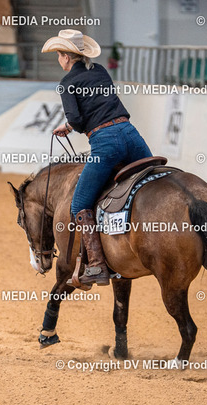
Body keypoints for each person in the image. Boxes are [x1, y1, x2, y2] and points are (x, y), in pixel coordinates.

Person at [41, 29, 153, 287]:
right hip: (131, 135)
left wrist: (70, 125)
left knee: (79, 204)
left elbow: (79, 120)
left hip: (106, 143)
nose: (59, 59)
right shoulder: (100, 71)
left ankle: (97, 265)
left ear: (66, 57)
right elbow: (101, 106)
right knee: (152, 180)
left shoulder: (67, 83)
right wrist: (70, 125)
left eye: (59, 55)